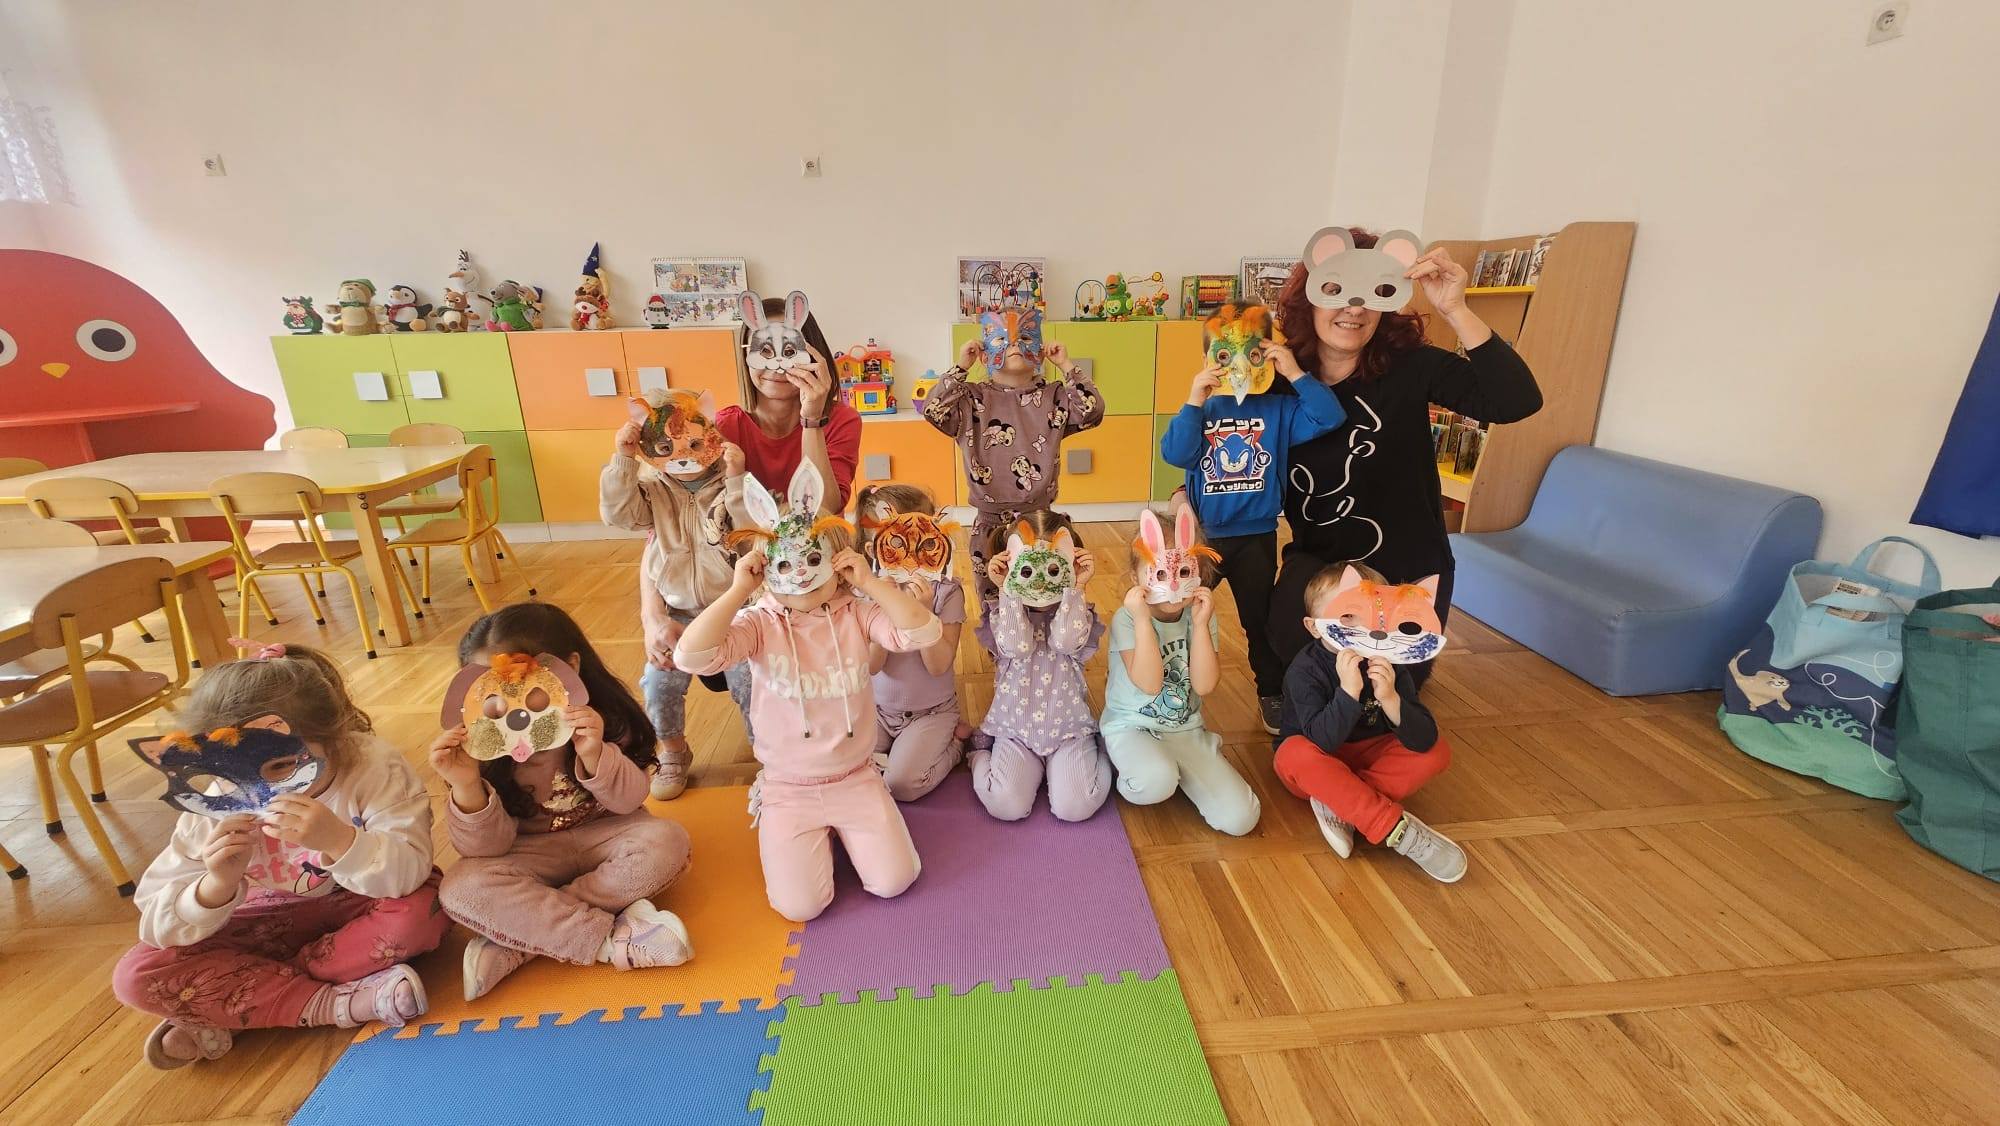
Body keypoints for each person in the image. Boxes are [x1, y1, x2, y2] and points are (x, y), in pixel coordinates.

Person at [112, 643, 449, 1069]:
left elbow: (408, 873)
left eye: (279, 767)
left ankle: (252, 1001)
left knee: (425, 911)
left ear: (334, 739)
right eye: (229, 773)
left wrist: (341, 840)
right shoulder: (215, 802)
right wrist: (216, 885)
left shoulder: (372, 766)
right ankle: (329, 1003)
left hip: (361, 905)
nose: (258, 790)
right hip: (270, 919)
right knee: (136, 975)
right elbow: (156, 920)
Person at [674, 462, 942, 922]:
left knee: (895, 881)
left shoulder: (856, 613)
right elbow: (691, 657)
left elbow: (923, 632)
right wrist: (738, 591)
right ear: (766, 569)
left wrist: (870, 583)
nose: (799, 575)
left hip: (856, 778)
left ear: (837, 564)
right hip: (788, 788)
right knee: (801, 907)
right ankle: (806, 834)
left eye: (813, 561)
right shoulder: (759, 623)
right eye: (783, 564)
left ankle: (850, 832)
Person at [1270, 229, 1543, 678]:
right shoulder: (1279, 378)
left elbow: (1516, 401)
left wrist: (1455, 308)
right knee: (1297, 662)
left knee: (1396, 686)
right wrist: (1189, 493)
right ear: (1309, 298)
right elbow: (1230, 448)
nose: (1354, 307)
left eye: (1373, 293)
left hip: (1408, 567)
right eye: (1336, 290)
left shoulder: (1411, 366)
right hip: (1323, 569)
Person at [433, 604, 693, 1002]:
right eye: (494, 693)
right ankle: (608, 939)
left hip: (609, 834)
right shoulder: (480, 746)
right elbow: (486, 850)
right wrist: (466, 784)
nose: (514, 708)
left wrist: (595, 753)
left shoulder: (603, 720)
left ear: (569, 668)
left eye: (528, 687)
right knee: (461, 888)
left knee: (667, 841)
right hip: (528, 853)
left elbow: (629, 802)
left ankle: (525, 939)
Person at [1161, 301, 1347, 733]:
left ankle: (1271, 691)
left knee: (1259, 622)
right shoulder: (1204, 411)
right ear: (1209, 357)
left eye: (1254, 352)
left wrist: (1295, 373)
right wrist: (1194, 400)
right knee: (1176, 609)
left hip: (1256, 539)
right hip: (1204, 538)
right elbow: (1176, 453)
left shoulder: (1279, 410)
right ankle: (1167, 684)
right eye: (1226, 354)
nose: (1240, 363)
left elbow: (1329, 416)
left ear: (1268, 353)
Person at [601, 387, 753, 799]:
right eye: (666, 447)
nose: (682, 455)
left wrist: (737, 480)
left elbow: (748, 532)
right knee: (659, 682)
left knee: (750, 682)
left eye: (693, 444)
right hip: (678, 614)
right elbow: (620, 516)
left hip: (734, 611)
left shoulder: (728, 482)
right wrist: (623, 460)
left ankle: (767, 750)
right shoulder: (653, 489)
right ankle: (673, 751)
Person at [1274, 564, 1464, 882]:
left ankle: (1342, 802)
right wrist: (1348, 693)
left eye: (1374, 616)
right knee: (1293, 755)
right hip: (1319, 756)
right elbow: (1321, 742)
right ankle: (1394, 829)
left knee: (1436, 752)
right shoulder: (1305, 669)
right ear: (1314, 627)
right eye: (1347, 616)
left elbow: (1424, 739)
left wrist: (1390, 698)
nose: (1362, 628)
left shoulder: (1390, 664)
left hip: (1370, 753)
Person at [921, 308, 1104, 606]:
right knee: (993, 597)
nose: (1014, 344)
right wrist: (961, 366)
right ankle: (1000, 635)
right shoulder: (970, 399)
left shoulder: (1055, 397)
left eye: (1026, 338)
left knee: (1046, 592)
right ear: (985, 355)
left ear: (1040, 352)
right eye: (1001, 339)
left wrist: (1066, 365)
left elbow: (1092, 411)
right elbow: (933, 410)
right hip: (989, 523)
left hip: (1041, 523)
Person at [1102, 509, 1261, 836]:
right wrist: (1143, 620)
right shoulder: (1127, 618)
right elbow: (1149, 684)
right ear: (1136, 578)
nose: (1173, 583)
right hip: (1132, 726)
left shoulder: (1200, 616)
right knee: (1154, 782)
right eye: (1159, 573)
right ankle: (1126, 762)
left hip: (1185, 729)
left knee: (1241, 819)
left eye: (1184, 571)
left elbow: (1204, 685)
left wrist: (1201, 626)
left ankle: (1173, 767)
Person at [974, 510, 1111, 823]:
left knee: (1075, 808)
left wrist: (1076, 588)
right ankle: (977, 752)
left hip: (1068, 730)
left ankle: (1103, 750)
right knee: (1005, 805)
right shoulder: (1003, 610)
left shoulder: (1077, 610)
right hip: (1015, 729)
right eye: (1026, 570)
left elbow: (1065, 642)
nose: (1039, 581)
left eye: (1052, 569)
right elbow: (1017, 646)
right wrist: (1008, 591)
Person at [855, 483, 967, 802]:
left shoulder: (947, 592)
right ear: (873, 550)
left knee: (901, 784)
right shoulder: (865, 593)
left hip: (931, 712)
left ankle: (956, 745)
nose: (910, 558)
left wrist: (922, 614)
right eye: (897, 544)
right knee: (850, 769)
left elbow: (938, 666)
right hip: (878, 711)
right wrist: (885, 605)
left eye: (923, 543)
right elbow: (872, 665)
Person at [714, 294, 861, 516]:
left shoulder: (842, 420)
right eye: (764, 351)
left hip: (819, 537)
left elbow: (824, 510)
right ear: (745, 355)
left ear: (813, 357)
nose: (777, 366)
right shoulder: (724, 426)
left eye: (790, 352)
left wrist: (812, 421)